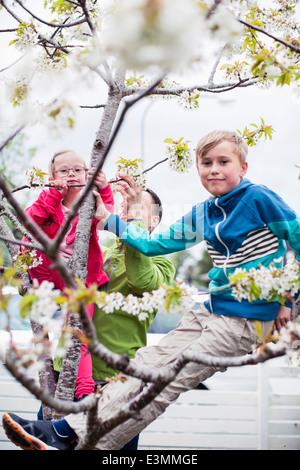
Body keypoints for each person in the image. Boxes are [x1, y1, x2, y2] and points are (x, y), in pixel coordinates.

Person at [3, 130, 300, 451]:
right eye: (206, 162)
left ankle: (71, 438)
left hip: (246, 316)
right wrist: (108, 217)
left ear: (243, 167)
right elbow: (154, 244)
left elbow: (296, 241)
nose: (214, 169)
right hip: (210, 310)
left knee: (167, 382)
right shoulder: (203, 213)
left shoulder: (258, 199)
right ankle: (65, 434)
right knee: (143, 369)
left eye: (223, 162)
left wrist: (288, 302)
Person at [52, 184, 176, 450]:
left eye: (135, 207)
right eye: (123, 207)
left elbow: (142, 282)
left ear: (153, 220)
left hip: (113, 384)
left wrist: (130, 226)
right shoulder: (103, 250)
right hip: (69, 375)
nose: (126, 212)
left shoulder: (163, 262)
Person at [21, 150, 114, 401]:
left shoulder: (92, 203)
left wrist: (104, 190)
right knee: (23, 245)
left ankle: (84, 392)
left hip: (82, 281)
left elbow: (108, 220)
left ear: (88, 174)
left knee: (78, 336)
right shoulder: (47, 201)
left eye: (77, 169)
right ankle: (59, 391)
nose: (71, 174)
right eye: (63, 171)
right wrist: (53, 195)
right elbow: (28, 225)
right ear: (52, 177)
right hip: (49, 279)